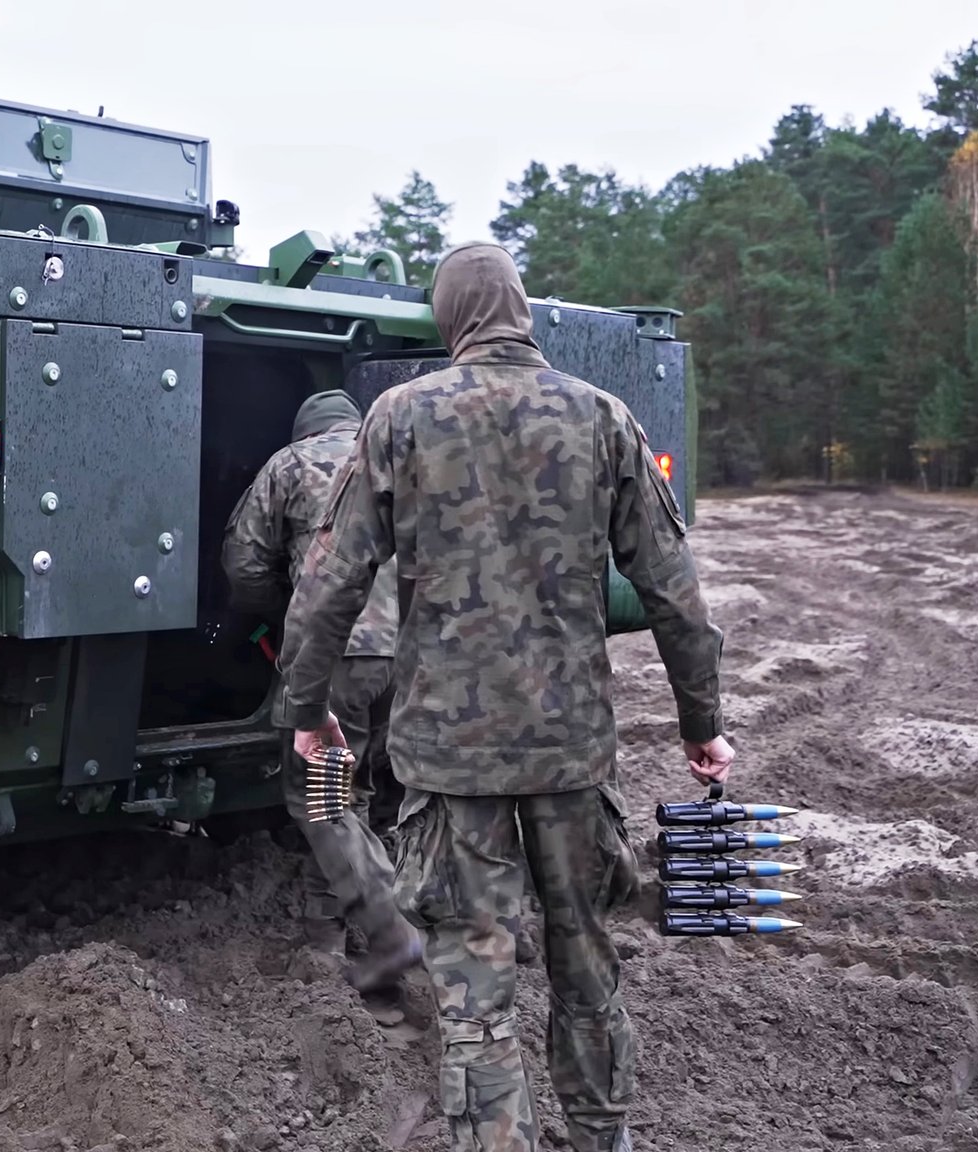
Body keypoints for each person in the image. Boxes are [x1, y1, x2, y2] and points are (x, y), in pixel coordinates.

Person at [273, 241, 732, 1152]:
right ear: (521, 310)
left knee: (474, 990)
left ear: (449, 319)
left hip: (449, 763)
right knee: (585, 960)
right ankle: (603, 1138)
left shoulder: (400, 418)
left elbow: (328, 586)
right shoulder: (603, 417)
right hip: (571, 752)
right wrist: (701, 725)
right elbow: (676, 594)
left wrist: (309, 709)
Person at [220, 391, 421, 1002]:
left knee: (322, 796)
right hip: (409, 660)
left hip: (336, 658)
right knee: (355, 796)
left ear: (305, 430)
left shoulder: (290, 465)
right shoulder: (400, 458)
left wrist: (283, 611)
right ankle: (326, 934)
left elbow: (244, 564)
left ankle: (391, 930)